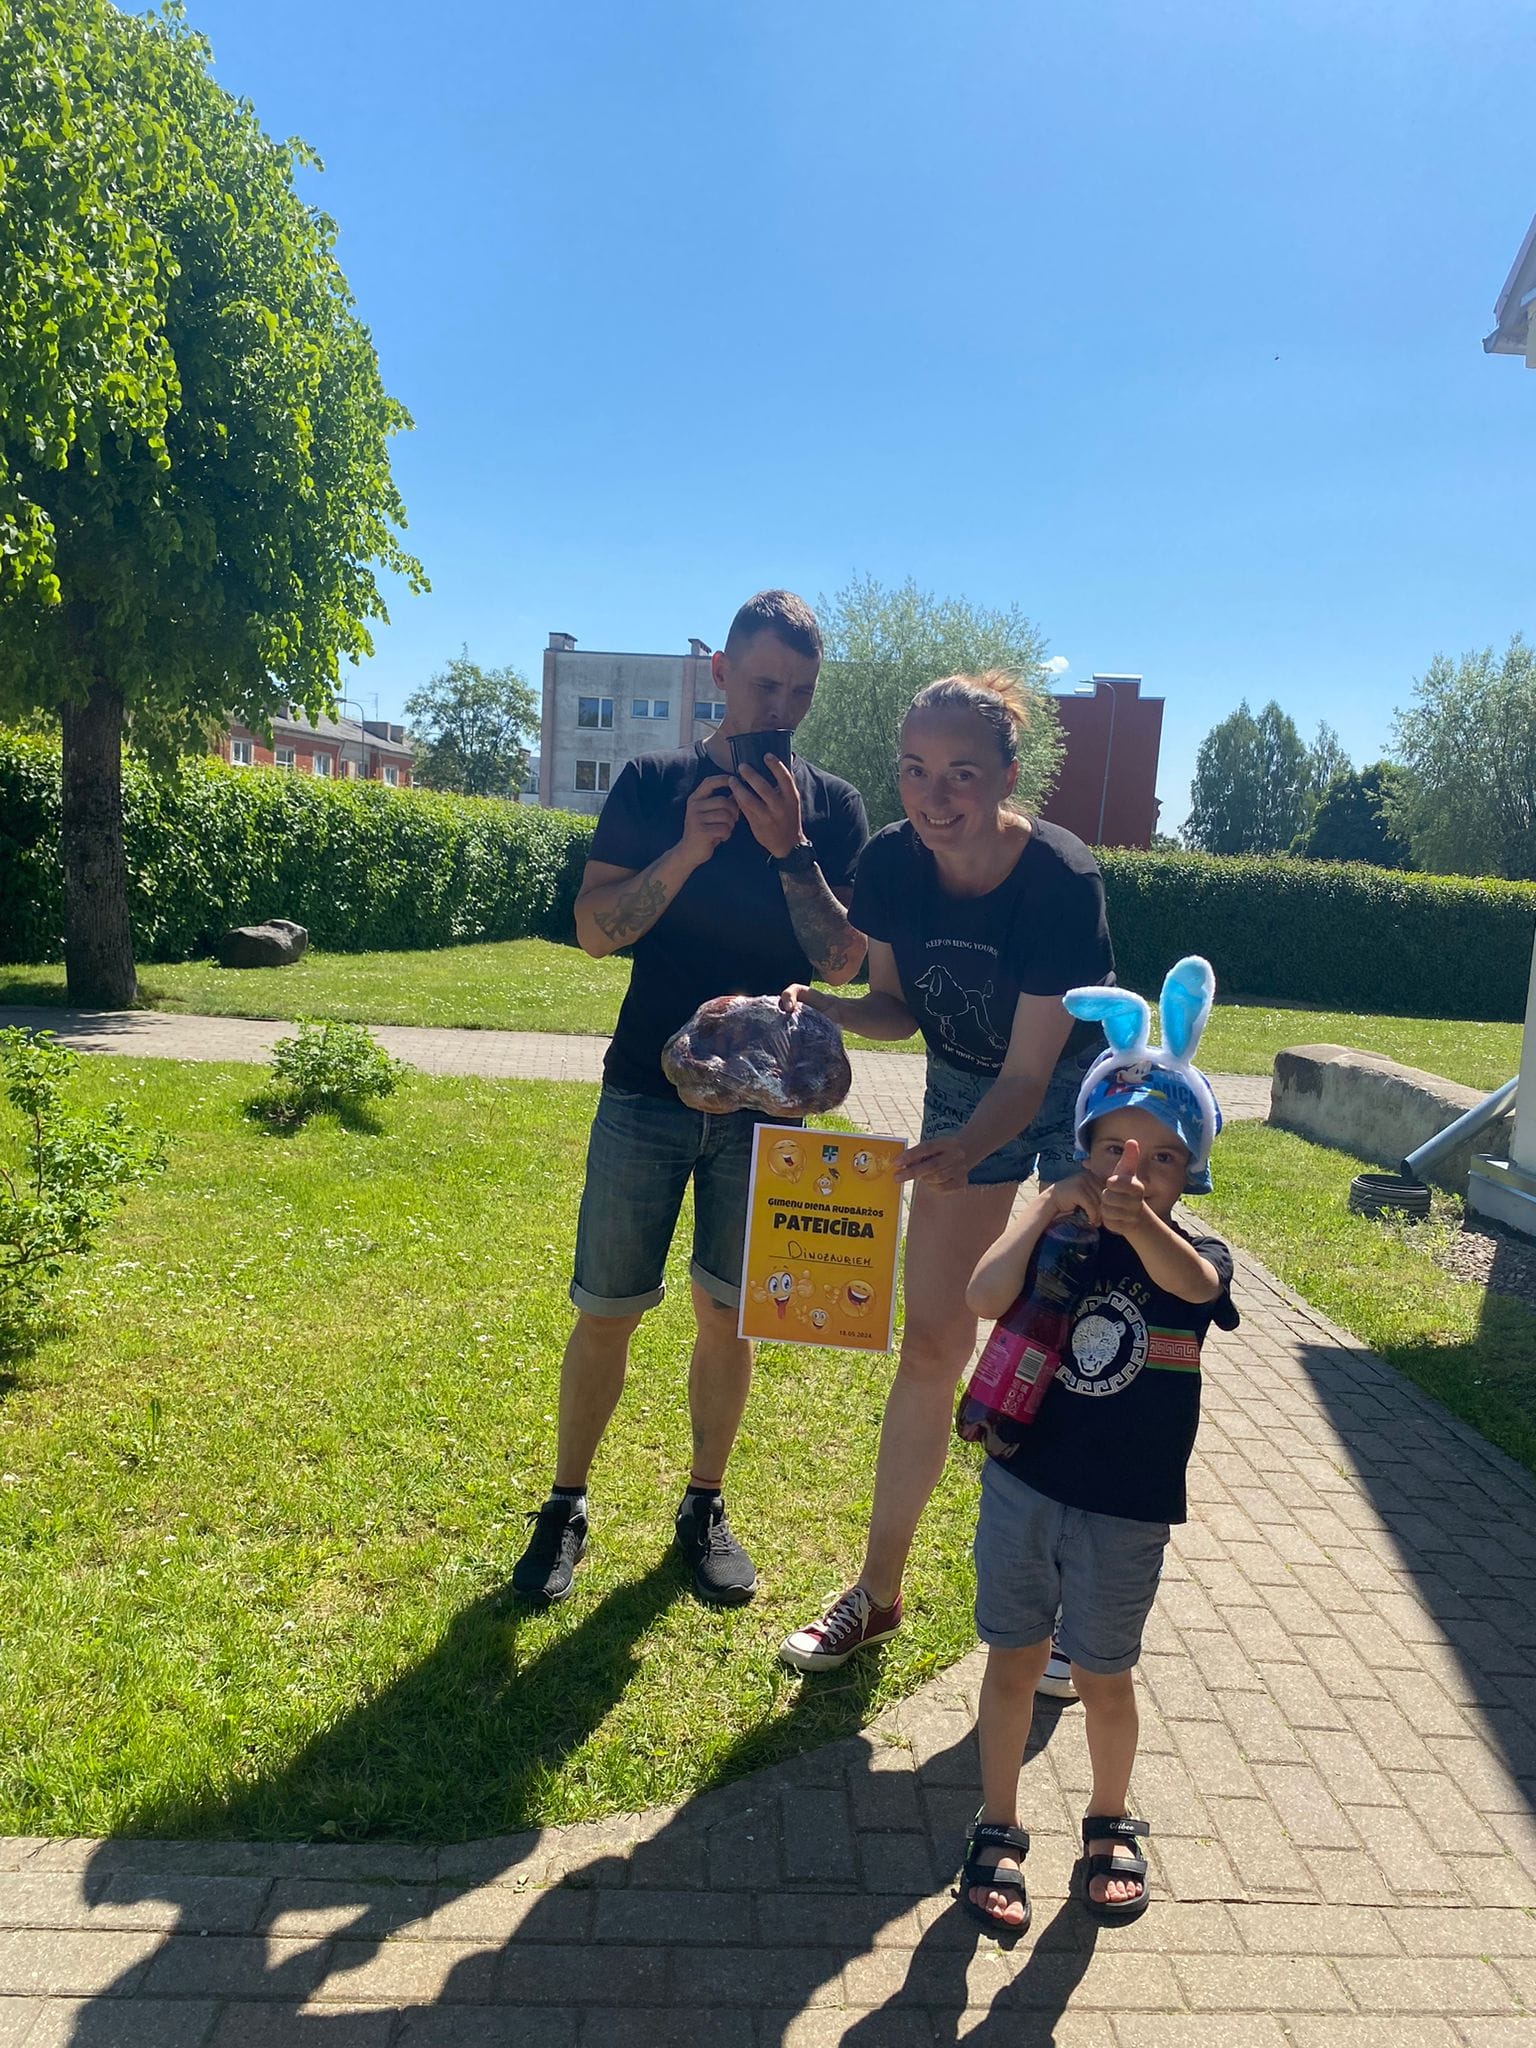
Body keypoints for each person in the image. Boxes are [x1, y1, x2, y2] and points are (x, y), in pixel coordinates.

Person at [512, 591, 868, 1609]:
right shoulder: (652, 782)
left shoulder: (832, 807)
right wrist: (687, 850)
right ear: (719, 673)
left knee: (728, 1315)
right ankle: (565, 1505)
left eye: (799, 692)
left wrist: (793, 850)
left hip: (768, 1115)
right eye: (764, 684)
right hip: (644, 1093)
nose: (780, 709)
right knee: (606, 1310)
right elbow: (595, 932)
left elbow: (844, 958)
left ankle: (703, 1504)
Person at [777, 671, 1114, 1672]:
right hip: (967, 1083)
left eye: (963, 772)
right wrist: (830, 1010)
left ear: (1008, 775)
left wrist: (966, 1150)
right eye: (916, 769)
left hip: (1076, 1094)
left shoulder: (1061, 880)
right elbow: (895, 1007)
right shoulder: (890, 860)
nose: (935, 795)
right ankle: (875, 1594)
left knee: (1074, 1348)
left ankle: (1069, 1613)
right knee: (931, 1342)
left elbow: (1031, 1074)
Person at [955, 1000, 1236, 1929]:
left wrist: (1144, 1225)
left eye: (1162, 1159)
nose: (1131, 1173)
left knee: (1105, 1675)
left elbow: (1197, 1286)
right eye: (1114, 1148)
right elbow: (982, 1294)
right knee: (1012, 1661)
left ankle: (1109, 1821)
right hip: (1025, 1485)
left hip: (1127, 1506)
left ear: (1191, 1174)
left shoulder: (1194, 1253)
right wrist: (1043, 1208)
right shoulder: (1057, 1234)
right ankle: (998, 1825)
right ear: (1083, 1148)